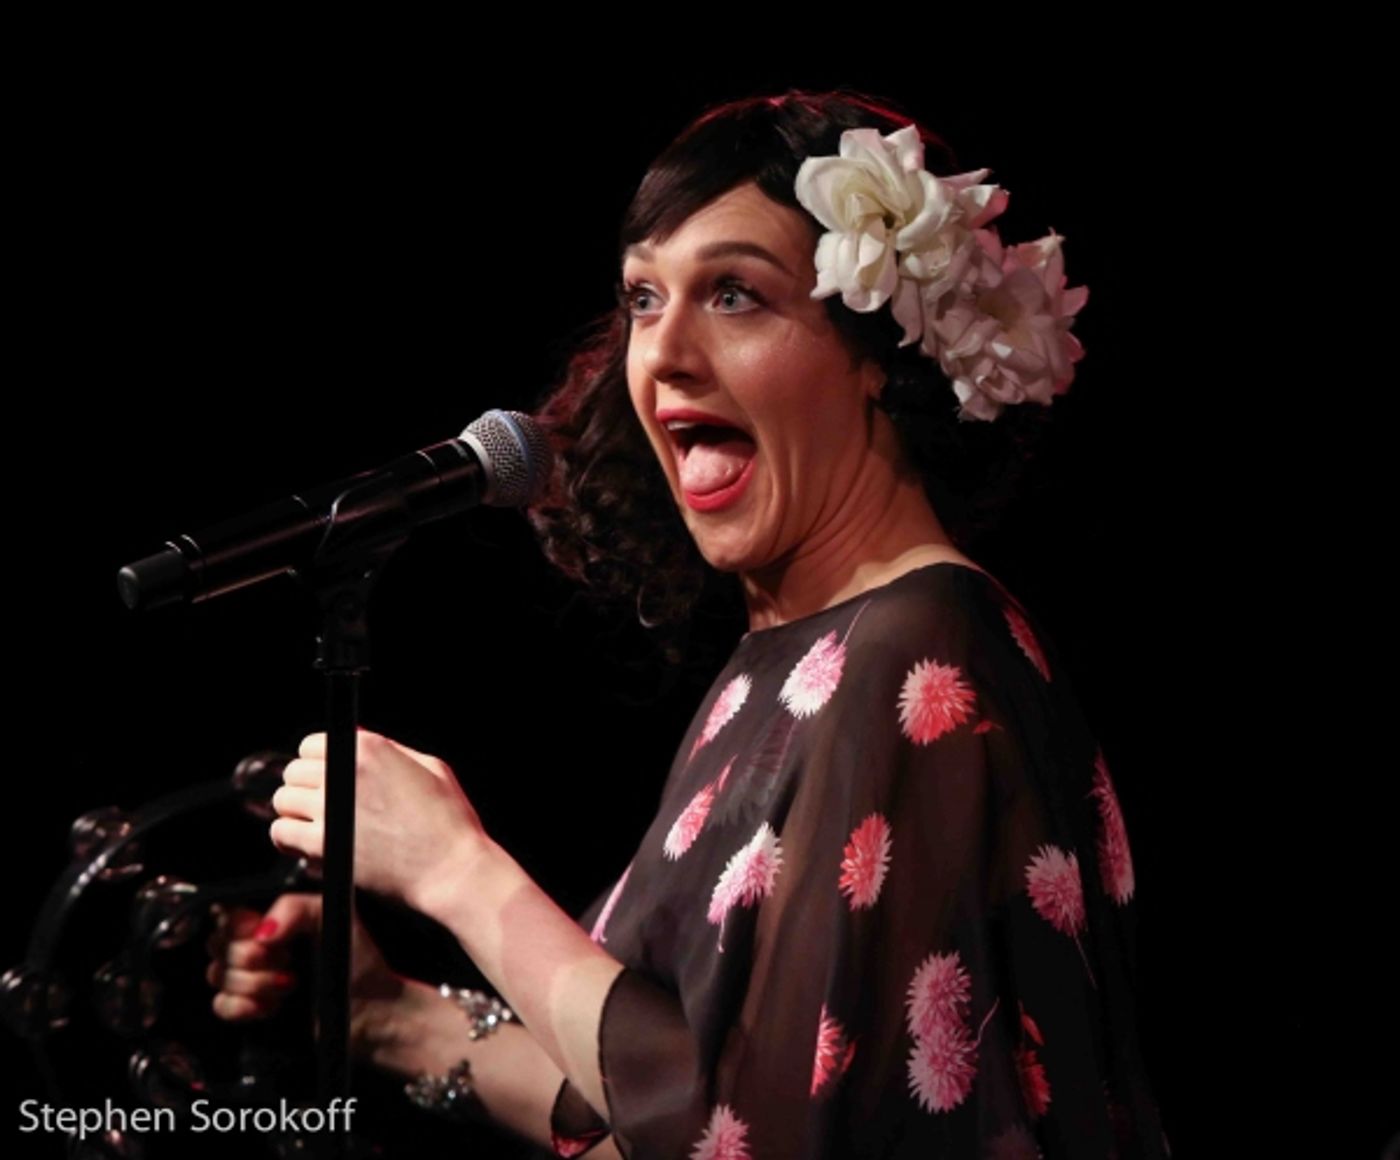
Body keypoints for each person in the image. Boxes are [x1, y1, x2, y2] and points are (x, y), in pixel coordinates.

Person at [207, 90, 1167, 1158]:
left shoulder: (919, 649)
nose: (659, 353)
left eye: (732, 295)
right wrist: (388, 1011)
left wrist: (458, 874)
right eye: (642, 297)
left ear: (876, 358)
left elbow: (735, 1132)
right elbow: (661, 1086)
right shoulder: (799, 654)